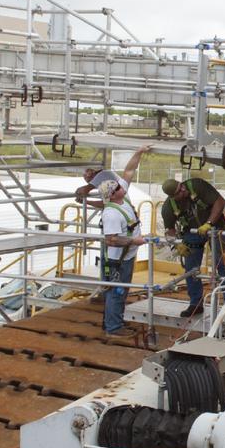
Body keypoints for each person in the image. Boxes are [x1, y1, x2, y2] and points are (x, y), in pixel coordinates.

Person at [161, 175, 225, 311]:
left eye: (181, 186)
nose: (183, 190)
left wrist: (208, 224)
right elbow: (170, 230)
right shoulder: (168, 208)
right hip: (192, 232)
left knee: (221, 262)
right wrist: (177, 243)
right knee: (191, 268)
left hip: (215, 227)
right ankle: (195, 303)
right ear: (173, 197)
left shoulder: (197, 185)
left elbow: (220, 202)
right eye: (179, 192)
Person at [98, 178, 147, 336]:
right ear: (112, 195)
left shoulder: (122, 201)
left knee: (119, 291)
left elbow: (128, 172)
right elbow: (111, 239)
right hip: (117, 260)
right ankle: (113, 328)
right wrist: (134, 240)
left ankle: (113, 321)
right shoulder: (111, 214)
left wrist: (139, 152)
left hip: (125, 257)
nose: (121, 187)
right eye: (118, 187)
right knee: (116, 292)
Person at [76, 144, 153, 208]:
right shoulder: (121, 188)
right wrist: (139, 152)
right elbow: (129, 170)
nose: (86, 178)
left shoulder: (112, 214)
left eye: (87, 176)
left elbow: (84, 190)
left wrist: (84, 199)